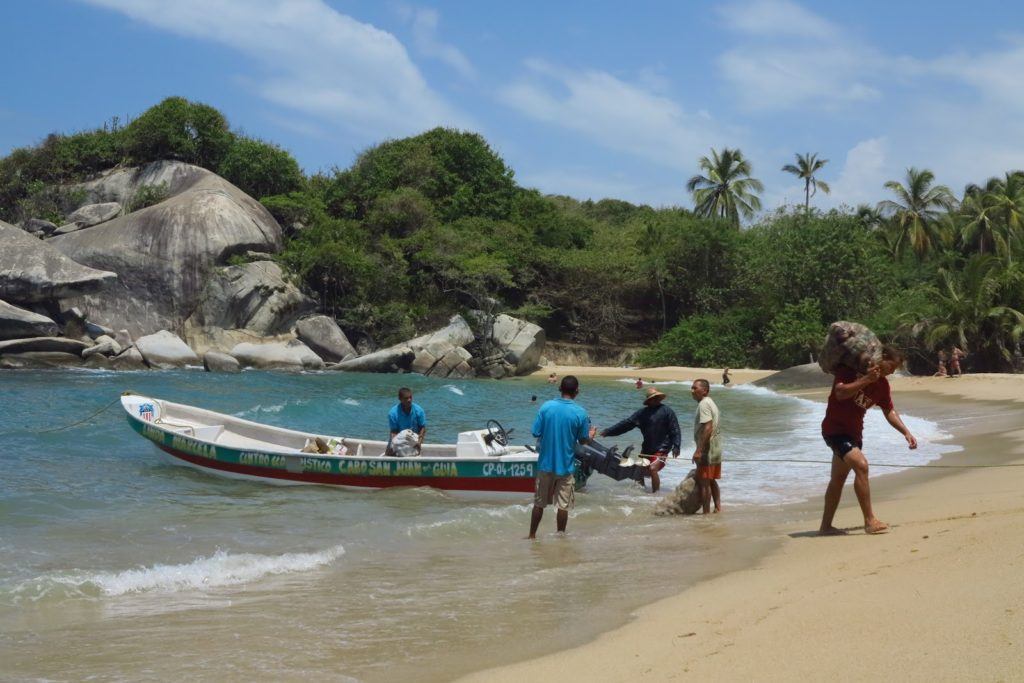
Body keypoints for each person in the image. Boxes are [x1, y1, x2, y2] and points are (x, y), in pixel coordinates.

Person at [820, 346, 917, 536]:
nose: (892, 371)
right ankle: (870, 521)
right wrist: (866, 379)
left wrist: (905, 431)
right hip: (835, 431)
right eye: (892, 366)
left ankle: (825, 527)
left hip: (855, 434)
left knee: (837, 480)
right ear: (881, 359)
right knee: (861, 466)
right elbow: (840, 393)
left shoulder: (882, 386)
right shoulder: (849, 371)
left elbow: (889, 410)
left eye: (895, 369)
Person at [528, 375, 593, 539]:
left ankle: (532, 535)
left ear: (560, 389)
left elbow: (535, 432)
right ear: (577, 391)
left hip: (545, 465)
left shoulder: (546, 407)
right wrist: (591, 435)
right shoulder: (580, 413)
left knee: (539, 504)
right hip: (565, 467)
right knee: (563, 506)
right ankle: (560, 536)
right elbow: (583, 440)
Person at [600, 386, 680, 493]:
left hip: (662, 448)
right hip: (647, 448)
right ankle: (640, 495)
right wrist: (609, 431)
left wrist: (677, 445)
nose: (655, 400)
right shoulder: (641, 414)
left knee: (652, 469)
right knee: (638, 471)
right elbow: (626, 424)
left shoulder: (667, 412)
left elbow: (675, 429)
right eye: (653, 398)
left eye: (657, 397)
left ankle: (655, 495)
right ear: (649, 400)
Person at [690, 379, 722, 514]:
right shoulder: (710, 402)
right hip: (715, 447)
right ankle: (718, 508)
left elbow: (708, 427)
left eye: (695, 388)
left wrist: (699, 450)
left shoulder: (704, 404)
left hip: (708, 449)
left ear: (705, 390)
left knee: (704, 483)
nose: (692, 391)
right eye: (691, 388)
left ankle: (706, 514)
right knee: (711, 480)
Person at [387, 387, 426, 454]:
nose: (409, 400)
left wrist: (419, 442)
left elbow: (422, 427)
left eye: (410, 397)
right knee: (389, 453)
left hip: (415, 439)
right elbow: (394, 432)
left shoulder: (419, 411)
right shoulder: (393, 413)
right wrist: (394, 446)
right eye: (406, 398)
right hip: (399, 440)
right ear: (400, 399)